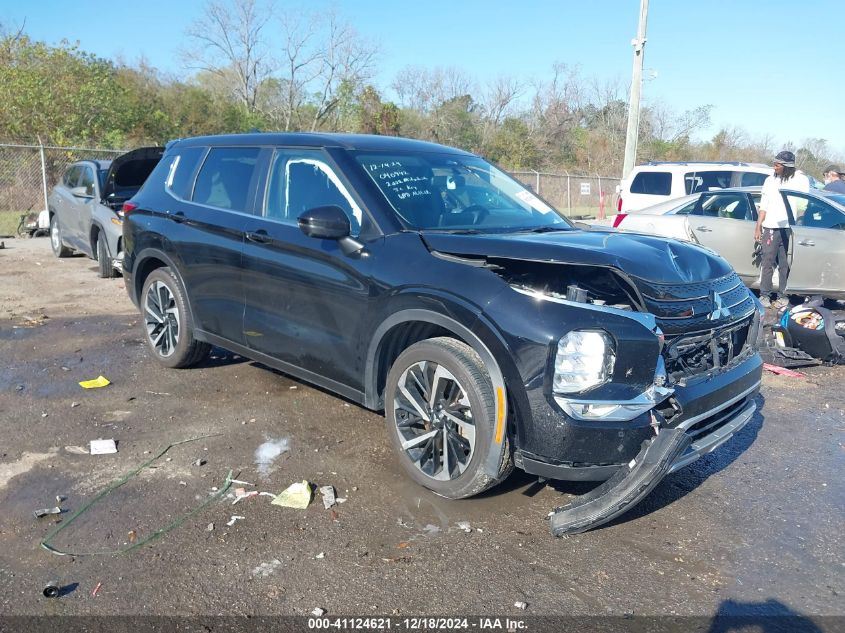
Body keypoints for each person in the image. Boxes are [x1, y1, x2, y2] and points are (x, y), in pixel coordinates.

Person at [754, 150, 810, 309]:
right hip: (770, 226)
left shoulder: (799, 180)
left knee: (785, 264)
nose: (774, 167)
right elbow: (763, 205)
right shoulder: (770, 180)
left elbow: (803, 205)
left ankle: (783, 296)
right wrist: (758, 226)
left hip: (789, 228)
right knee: (767, 262)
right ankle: (764, 295)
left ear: (787, 166)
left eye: (778, 165)